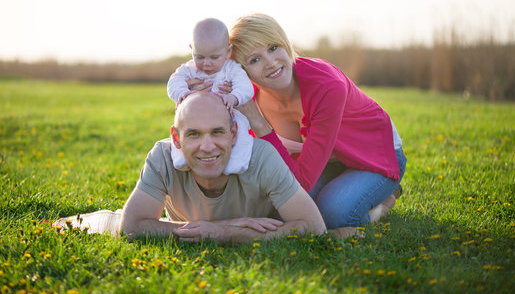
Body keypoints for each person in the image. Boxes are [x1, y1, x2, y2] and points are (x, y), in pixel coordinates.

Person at [228, 13, 407, 238]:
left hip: (374, 157)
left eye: (273, 48)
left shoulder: (327, 86)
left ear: (284, 43)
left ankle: (383, 204)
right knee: (284, 210)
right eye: (255, 59)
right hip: (323, 163)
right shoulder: (248, 97)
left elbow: (299, 183)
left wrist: (259, 123)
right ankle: (340, 187)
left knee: (332, 214)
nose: (271, 63)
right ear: (243, 70)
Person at [119, 91, 326, 243]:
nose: (207, 147)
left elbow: (314, 227)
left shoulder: (261, 156)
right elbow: (130, 227)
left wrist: (227, 233)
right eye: (194, 134)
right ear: (176, 138)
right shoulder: (162, 157)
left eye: (217, 132)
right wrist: (221, 227)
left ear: (234, 133)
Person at [167, 18, 254, 174]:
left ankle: (237, 162)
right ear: (191, 49)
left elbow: (246, 87)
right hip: (195, 117)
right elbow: (173, 82)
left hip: (229, 114)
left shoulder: (232, 69)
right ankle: (180, 158)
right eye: (200, 57)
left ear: (228, 52)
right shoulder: (188, 69)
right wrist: (183, 93)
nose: (206, 63)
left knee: (240, 131)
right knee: (184, 130)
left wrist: (234, 97)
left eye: (214, 57)